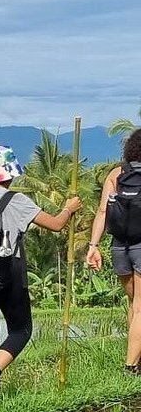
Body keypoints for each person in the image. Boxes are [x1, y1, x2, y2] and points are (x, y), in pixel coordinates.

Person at [0, 145, 80, 407]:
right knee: (21, 330)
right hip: (7, 272)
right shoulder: (16, 200)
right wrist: (69, 208)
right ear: (10, 173)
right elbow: (56, 225)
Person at [84, 128, 141, 373]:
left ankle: (136, 359)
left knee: (133, 304)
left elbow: (102, 212)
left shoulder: (116, 174)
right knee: (140, 306)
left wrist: (93, 246)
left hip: (119, 246)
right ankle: (130, 366)